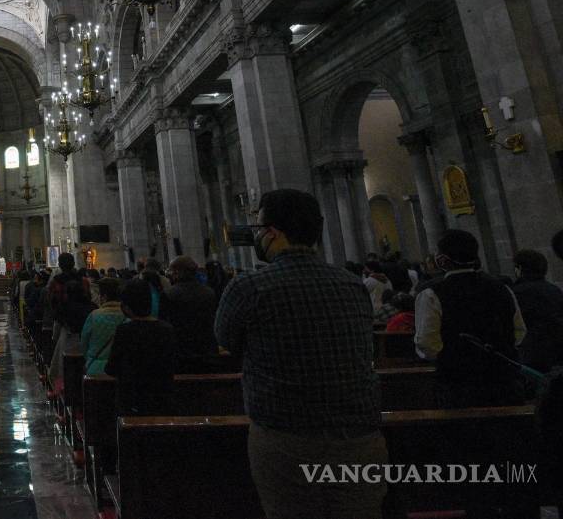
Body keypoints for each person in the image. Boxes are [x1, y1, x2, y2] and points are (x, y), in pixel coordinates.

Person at [215, 189, 386, 519]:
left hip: (285, 437)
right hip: (359, 436)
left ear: (272, 233)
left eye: (258, 228)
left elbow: (226, 341)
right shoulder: (352, 284)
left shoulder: (250, 286)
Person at [414, 229, 527, 407]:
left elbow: (427, 342)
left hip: (458, 383)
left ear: (442, 260)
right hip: (502, 379)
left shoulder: (431, 294)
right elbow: (519, 331)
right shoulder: (502, 288)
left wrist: (450, 359)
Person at [106, 278, 175, 415]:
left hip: (132, 398)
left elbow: (112, 367)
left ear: (127, 306)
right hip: (161, 396)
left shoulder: (124, 331)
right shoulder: (167, 329)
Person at [510, 249, 563, 373]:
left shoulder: (516, 293)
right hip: (557, 351)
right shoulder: (554, 290)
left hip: (531, 355)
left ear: (520, 269)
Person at [163, 255, 218, 363]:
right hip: (207, 349)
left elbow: (165, 323)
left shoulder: (169, 294)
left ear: (176, 272)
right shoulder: (209, 292)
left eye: (171, 271)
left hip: (181, 351)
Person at [49, 277, 94, 384]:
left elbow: (56, 330)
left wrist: (54, 338)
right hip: (86, 347)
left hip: (67, 342)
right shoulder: (92, 307)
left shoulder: (63, 308)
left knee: (64, 373)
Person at [79, 277, 124, 375]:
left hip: (95, 368)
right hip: (120, 369)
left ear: (104, 296)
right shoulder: (126, 317)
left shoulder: (94, 315)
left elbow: (84, 343)